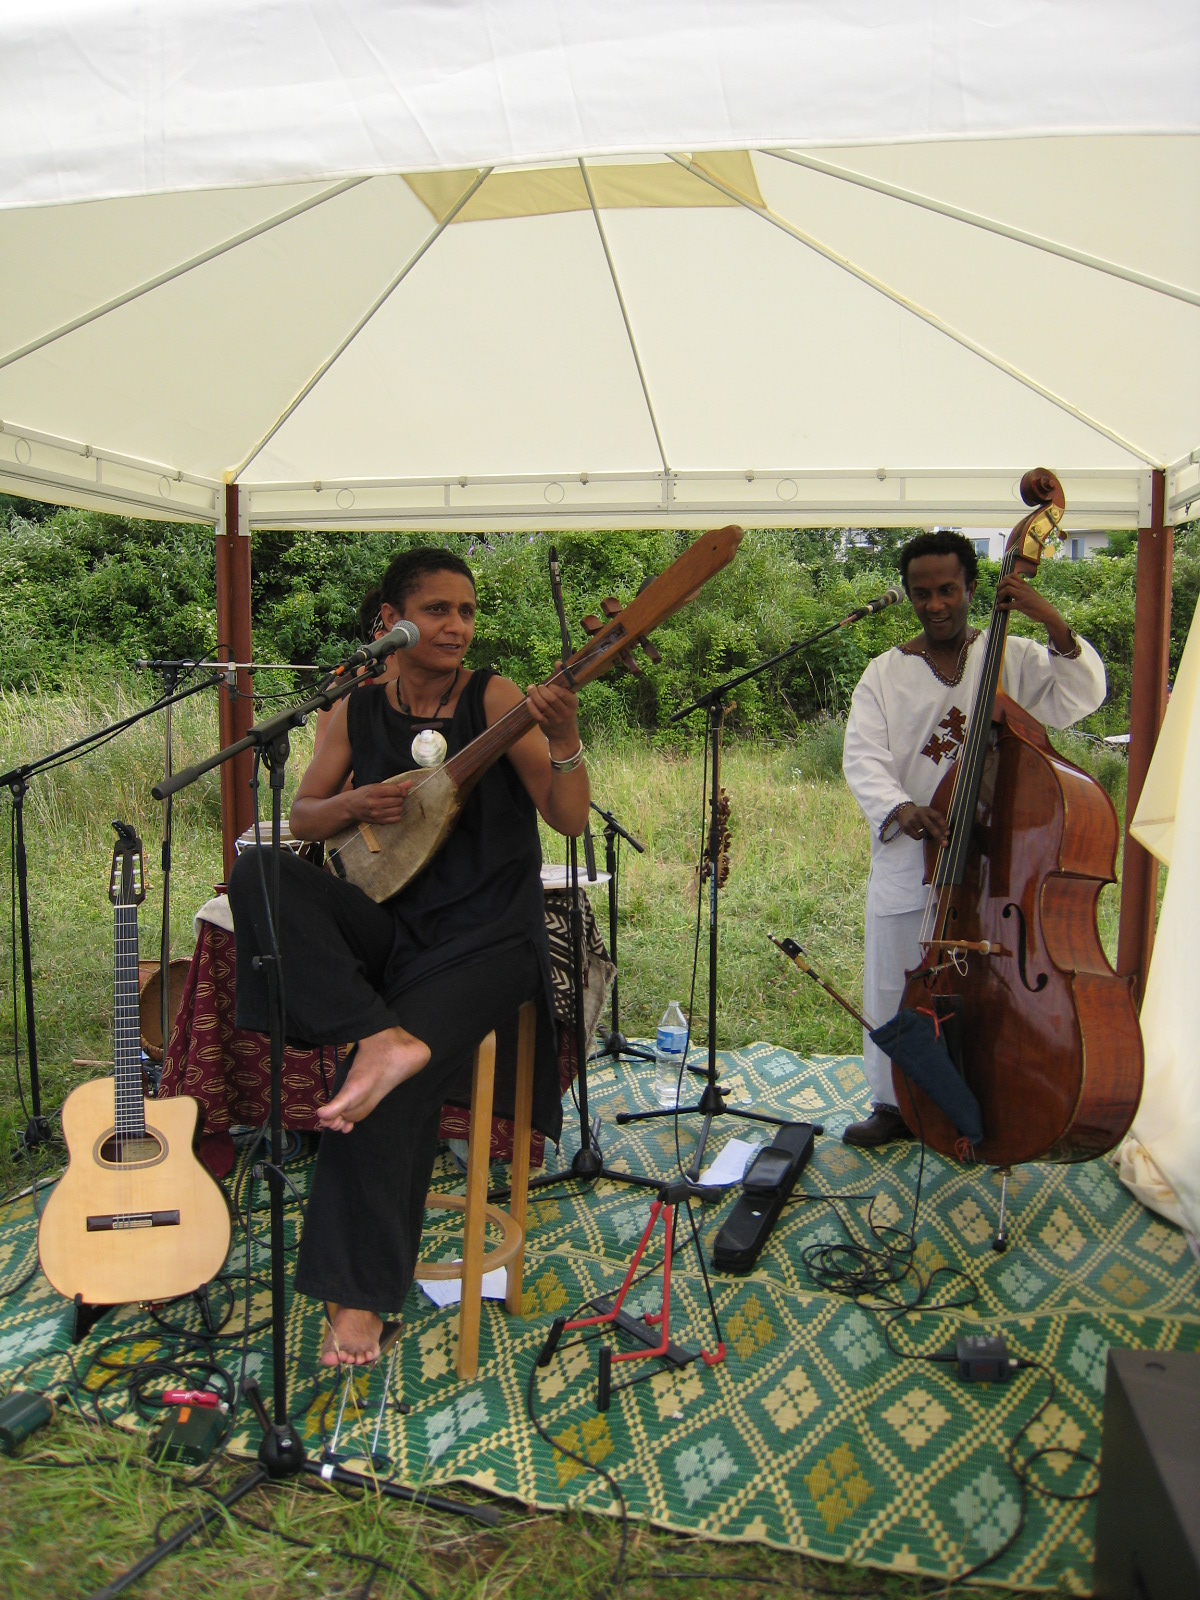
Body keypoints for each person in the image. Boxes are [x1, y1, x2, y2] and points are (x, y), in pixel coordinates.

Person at [228, 547, 590, 1363]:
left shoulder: (494, 697)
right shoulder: (356, 707)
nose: (457, 626)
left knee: (385, 1087)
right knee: (259, 874)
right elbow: (305, 816)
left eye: (466, 611)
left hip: (487, 940)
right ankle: (377, 1032)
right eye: (436, 610)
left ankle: (359, 1301)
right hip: (393, 929)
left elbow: (567, 819)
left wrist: (565, 738)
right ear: (391, 622)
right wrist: (356, 800)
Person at [840, 530, 1106, 1147]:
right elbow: (863, 757)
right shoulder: (884, 674)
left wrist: (1053, 623)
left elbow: (1078, 697)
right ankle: (895, 1103)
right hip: (913, 855)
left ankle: (993, 1089)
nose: (935, 605)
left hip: (997, 863)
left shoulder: (1008, 655)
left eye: (948, 590)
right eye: (922, 593)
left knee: (991, 986)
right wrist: (900, 807)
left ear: (971, 588)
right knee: (895, 979)